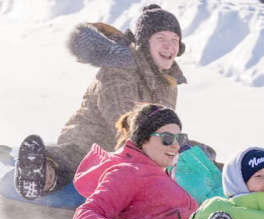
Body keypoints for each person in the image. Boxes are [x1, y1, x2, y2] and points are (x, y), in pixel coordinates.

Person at [15, 5, 202, 200]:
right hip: (91, 141)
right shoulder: (119, 70)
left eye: (174, 40)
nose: (169, 45)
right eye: (161, 39)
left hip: (133, 153)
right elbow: (124, 119)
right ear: (145, 44)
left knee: (193, 160)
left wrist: (194, 151)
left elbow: (165, 130)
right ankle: (43, 172)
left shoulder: (168, 83)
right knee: (78, 159)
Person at [71, 104, 197, 219]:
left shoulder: (166, 173)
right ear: (143, 140)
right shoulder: (128, 172)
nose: (175, 146)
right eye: (167, 138)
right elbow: (83, 217)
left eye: (180, 138)